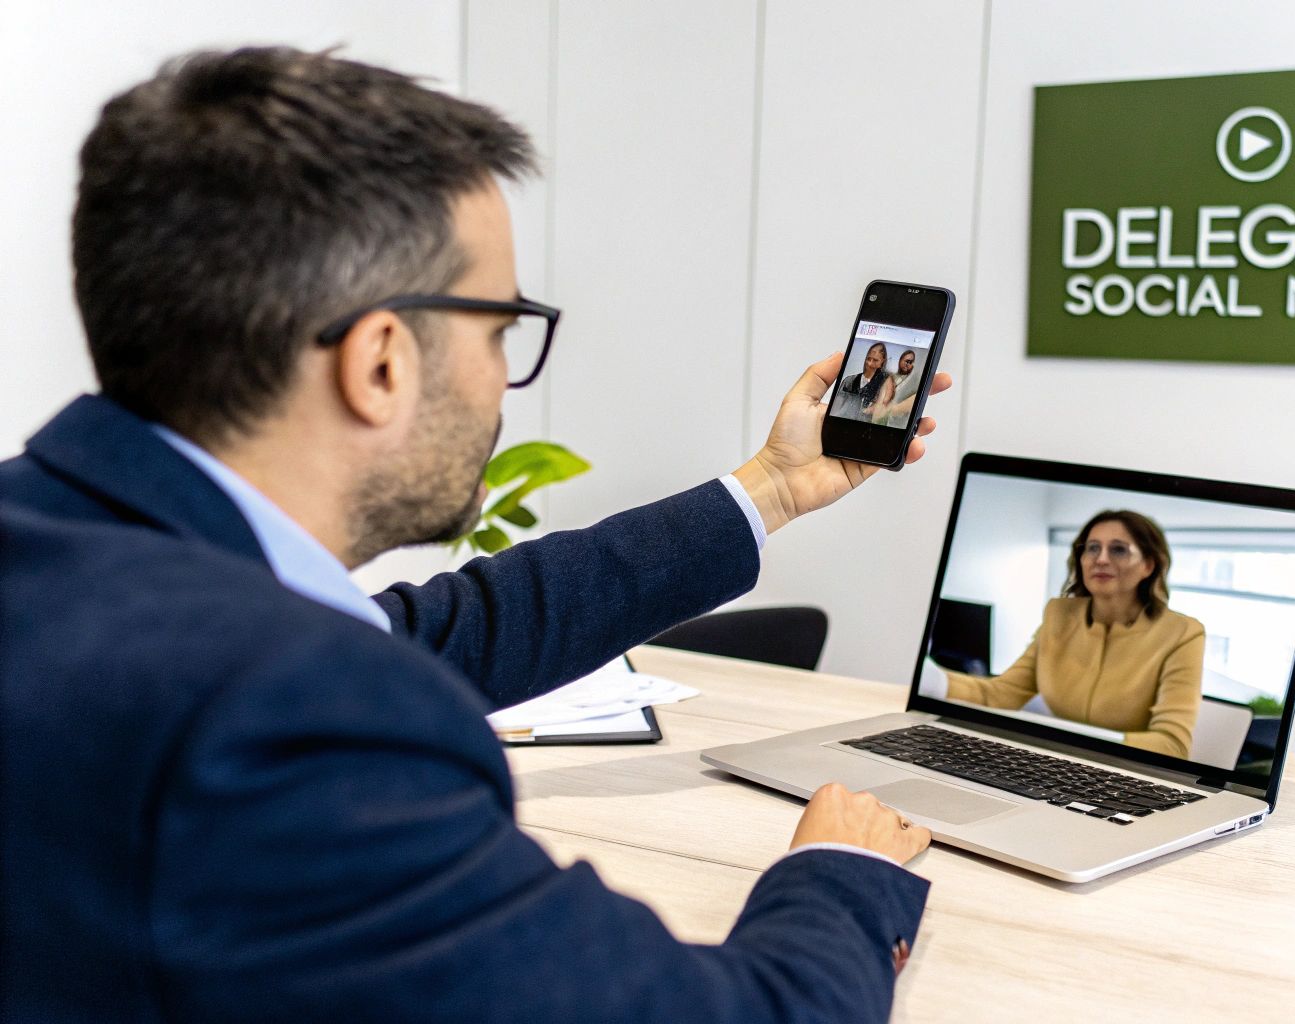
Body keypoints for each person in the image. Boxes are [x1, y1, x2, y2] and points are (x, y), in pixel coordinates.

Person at [0, 47, 953, 1023]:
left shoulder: (64, 542)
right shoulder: (281, 729)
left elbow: (437, 632)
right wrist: (838, 873)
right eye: (498, 328)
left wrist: (770, 489)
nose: (503, 374)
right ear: (379, 362)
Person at [926, 511, 1203, 758]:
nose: (1101, 559)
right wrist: (932, 679)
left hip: (1130, 772)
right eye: (1092, 548)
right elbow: (1002, 693)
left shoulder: (1183, 633)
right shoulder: (1058, 614)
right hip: (1056, 764)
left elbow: (1172, 744)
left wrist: (1066, 741)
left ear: (1148, 565)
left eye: (1118, 550)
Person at [830, 341, 895, 421]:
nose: (870, 364)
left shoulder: (885, 383)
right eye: (868, 359)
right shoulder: (849, 380)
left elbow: (883, 408)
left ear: (882, 361)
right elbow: (835, 408)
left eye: (875, 360)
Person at [872, 349, 922, 429]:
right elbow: (880, 399)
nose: (907, 364)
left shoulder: (915, 382)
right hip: (879, 421)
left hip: (897, 426)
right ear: (900, 360)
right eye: (906, 361)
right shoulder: (890, 378)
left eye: (910, 362)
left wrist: (891, 410)